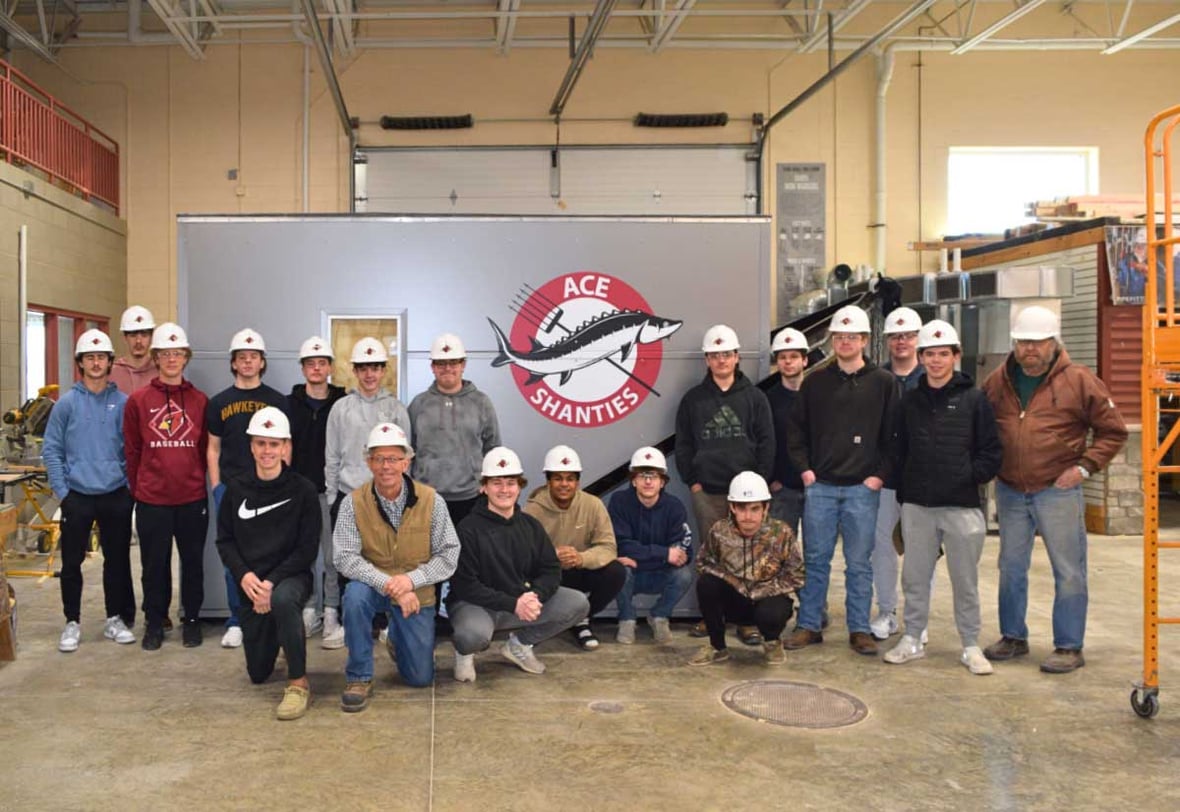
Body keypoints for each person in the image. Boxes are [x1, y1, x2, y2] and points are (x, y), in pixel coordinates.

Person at [980, 305, 1127, 674]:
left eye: (1038, 342)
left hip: (1057, 489)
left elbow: (1114, 431)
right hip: (1011, 490)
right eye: (1023, 342)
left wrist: (1083, 467)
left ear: (1053, 343)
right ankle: (1013, 636)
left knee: (1069, 569)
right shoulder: (998, 380)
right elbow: (979, 424)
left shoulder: (1079, 380)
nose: (1030, 349)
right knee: (1011, 567)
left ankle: (1068, 645)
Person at [883, 321, 1003, 675]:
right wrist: (906, 491)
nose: (935, 361)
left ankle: (969, 644)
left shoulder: (974, 400)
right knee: (915, 578)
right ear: (920, 358)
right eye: (929, 354)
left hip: (961, 507)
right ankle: (913, 638)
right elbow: (898, 449)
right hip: (918, 507)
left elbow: (991, 451)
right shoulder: (910, 402)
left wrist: (968, 478)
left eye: (942, 354)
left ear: (956, 356)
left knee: (965, 581)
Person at [785, 304, 898, 656]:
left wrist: (879, 476)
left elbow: (895, 437)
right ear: (832, 340)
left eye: (852, 336)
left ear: (865, 340)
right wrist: (806, 470)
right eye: (839, 336)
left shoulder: (884, 383)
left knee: (859, 563)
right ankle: (809, 625)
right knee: (816, 560)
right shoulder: (815, 382)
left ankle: (859, 629)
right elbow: (796, 431)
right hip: (820, 488)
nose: (845, 342)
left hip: (862, 490)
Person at [333, 423, 459, 712]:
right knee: (354, 596)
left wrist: (410, 581)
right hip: (374, 588)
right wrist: (391, 585)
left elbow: (449, 555)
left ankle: (396, 638)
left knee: (419, 677)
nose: (386, 466)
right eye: (378, 458)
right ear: (368, 462)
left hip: (417, 592)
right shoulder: (353, 503)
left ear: (406, 462)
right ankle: (359, 676)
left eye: (393, 459)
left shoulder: (432, 501)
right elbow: (345, 558)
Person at [448, 447, 590, 683]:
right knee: (471, 636)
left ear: (520, 486)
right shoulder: (468, 528)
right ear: (484, 487)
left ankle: (520, 645)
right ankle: (464, 654)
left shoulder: (530, 526)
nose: (505, 490)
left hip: (519, 602)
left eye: (511, 482)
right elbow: (465, 585)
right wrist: (513, 603)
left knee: (578, 603)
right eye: (497, 483)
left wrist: (535, 595)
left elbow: (550, 569)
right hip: (476, 605)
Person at [216, 407, 320, 720]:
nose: (267, 451)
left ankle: (298, 682)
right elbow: (225, 542)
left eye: (274, 444)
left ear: (286, 447)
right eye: (261, 443)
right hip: (252, 582)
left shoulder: (303, 490)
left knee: (284, 600)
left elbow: (306, 550)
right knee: (259, 673)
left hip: (290, 578)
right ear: (251, 446)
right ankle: (283, 635)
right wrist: (246, 577)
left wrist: (270, 585)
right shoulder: (235, 489)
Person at [674, 323, 774, 645]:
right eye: (714, 355)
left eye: (726, 354)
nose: (721, 360)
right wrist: (693, 482)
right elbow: (684, 444)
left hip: (747, 497)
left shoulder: (755, 398)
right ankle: (711, 617)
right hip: (709, 492)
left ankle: (746, 621)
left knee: (749, 557)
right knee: (711, 557)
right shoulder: (693, 400)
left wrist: (759, 488)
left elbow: (767, 443)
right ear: (707, 360)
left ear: (737, 357)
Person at [43, 329, 135, 652]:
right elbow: (51, 449)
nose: (96, 363)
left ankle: (114, 619)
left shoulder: (124, 404)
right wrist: (63, 492)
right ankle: (72, 622)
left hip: (115, 494)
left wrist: (128, 488)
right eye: (89, 358)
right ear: (80, 363)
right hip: (77, 496)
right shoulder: (66, 405)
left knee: (118, 561)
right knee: (71, 564)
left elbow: (133, 450)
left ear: (110, 362)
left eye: (101, 358)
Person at [123, 323, 210, 650]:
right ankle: (155, 621)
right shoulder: (138, 401)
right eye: (165, 354)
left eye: (178, 353)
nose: (172, 359)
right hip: (152, 500)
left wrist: (195, 480)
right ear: (156, 358)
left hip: (191, 498)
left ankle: (191, 620)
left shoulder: (200, 401)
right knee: (153, 565)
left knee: (192, 563)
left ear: (185, 357)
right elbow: (132, 450)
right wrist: (140, 488)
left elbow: (204, 450)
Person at [323, 335, 412, 648]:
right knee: (346, 562)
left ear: (383, 370)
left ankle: (386, 620)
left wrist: (402, 498)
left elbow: (405, 459)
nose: (370, 374)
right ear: (354, 371)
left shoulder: (397, 409)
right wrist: (334, 498)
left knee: (386, 559)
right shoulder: (340, 409)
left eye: (375, 367)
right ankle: (350, 621)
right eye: (363, 368)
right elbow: (331, 457)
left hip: (387, 498)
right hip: (348, 497)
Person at [206, 328, 289, 649]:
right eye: (242, 357)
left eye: (253, 357)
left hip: (271, 491)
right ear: (234, 363)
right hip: (232, 491)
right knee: (235, 561)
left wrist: (285, 484)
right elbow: (212, 448)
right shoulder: (219, 403)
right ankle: (237, 619)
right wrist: (216, 488)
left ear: (262, 362)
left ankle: (269, 615)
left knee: (272, 556)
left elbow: (286, 446)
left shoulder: (276, 401)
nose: (248, 362)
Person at [689, 472, 804, 667]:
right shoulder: (719, 531)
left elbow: (797, 576)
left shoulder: (781, 532)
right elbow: (703, 563)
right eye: (741, 509)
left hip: (767, 600)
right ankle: (717, 647)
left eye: (754, 509)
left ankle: (772, 642)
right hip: (735, 600)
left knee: (773, 612)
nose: (748, 516)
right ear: (732, 507)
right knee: (706, 584)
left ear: (766, 508)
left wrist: (762, 591)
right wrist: (733, 581)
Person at [524, 445, 626, 650]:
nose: (564, 484)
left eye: (570, 479)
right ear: (548, 480)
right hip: (548, 576)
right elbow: (523, 554)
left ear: (577, 482)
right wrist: (552, 556)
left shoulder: (593, 505)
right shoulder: (532, 510)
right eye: (558, 478)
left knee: (616, 571)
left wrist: (581, 558)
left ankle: (581, 618)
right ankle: (538, 626)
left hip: (579, 571)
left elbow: (608, 547)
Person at [409, 332, 501, 530]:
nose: (447, 368)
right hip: (427, 498)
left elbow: (493, 449)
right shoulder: (419, 404)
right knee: (429, 557)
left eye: (453, 362)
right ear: (432, 367)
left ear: (463, 365)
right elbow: (409, 451)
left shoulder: (481, 402)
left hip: (471, 498)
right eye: (441, 363)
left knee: (469, 557)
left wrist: (488, 487)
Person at [871, 306, 925, 641]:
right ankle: (887, 612)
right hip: (886, 480)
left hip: (921, 481)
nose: (901, 341)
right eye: (895, 336)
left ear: (918, 339)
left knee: (922, 551)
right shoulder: (877, 380)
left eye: (907, 335)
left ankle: (919, 620)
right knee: (883, 548)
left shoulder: (932, 378)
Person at [288, 336, 347, 639]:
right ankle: (310, 609)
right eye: (310, 363)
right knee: (304, 555)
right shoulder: (288, 405)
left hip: (331, 492)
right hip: (299, 495)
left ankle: (332, 614)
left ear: (330, 368)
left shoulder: (342, 402)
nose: (316, 368)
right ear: (302, 369)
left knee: (332, 558)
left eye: (321, 363)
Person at [607, 447, 694, 644]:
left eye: (653, 476)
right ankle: (627, 618)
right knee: (618, 569)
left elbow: (683, 553)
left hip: (659, 573)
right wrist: (664, 554)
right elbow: (621, 545)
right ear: (633, 480)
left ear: (662, 482)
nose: (648, 481)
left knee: (684, 575)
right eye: (642, 475)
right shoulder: (619, 502)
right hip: (633, 573)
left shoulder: (675, 507)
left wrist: (643, 558)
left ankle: (659, 616)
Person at [765, 327, 809, 537]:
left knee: (816, 554)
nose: (788, 362)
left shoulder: (817, 395)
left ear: (805, 360)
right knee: (778, 554)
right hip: (782, 490)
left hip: (815, 488)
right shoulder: (767, 400)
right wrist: (771, 479)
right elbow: (764, 443)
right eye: (783, 357)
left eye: (794, 356)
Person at [109, 305, 157, 394]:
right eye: (133, 335)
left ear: (151, 337)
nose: (138, 341)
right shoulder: (112, 373)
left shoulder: (160, 371)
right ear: (125, 337)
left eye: (144, 335)